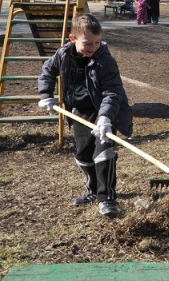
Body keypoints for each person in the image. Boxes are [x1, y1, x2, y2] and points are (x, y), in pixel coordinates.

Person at [37, 13, 133, 218]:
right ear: (73, 39)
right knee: (83, 155)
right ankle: (92, 190)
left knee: (104, 153)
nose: (94, 47)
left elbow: (112, 92)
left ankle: (107, 198)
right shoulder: (63, 54)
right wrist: (47, 95)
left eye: (97, 42)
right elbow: (48, 70)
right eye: (88, 43)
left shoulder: (105, 61)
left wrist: (105, 118)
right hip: (79, 111)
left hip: (103, 112)